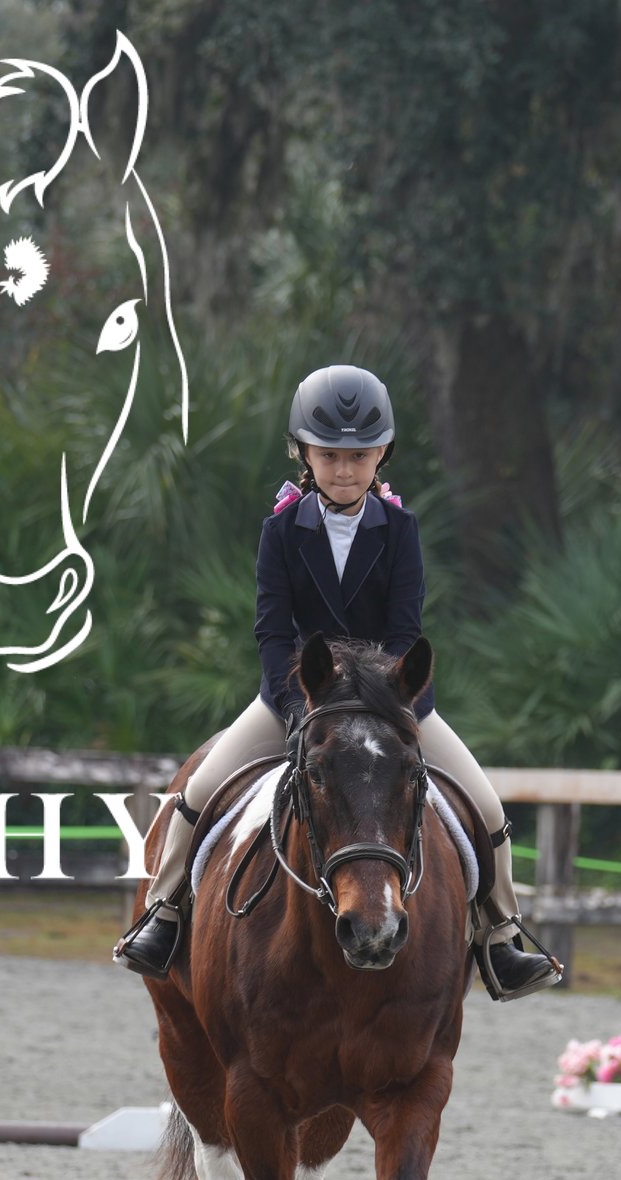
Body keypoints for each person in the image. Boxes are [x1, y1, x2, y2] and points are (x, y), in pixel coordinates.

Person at [113, 363, 562, 1001]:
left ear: (382, 455)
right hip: (298, 700)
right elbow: (272, 633)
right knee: (197, 793)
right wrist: (299, 703)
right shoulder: (280, 531)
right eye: (329, 455)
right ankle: (162, 916)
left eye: (358, 456)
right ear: (303, 453)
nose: (344, 470)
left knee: (487, 809)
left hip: (390, 703)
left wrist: (391, 698)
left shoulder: (400, 531)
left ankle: (501, 937)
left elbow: (404, 632)